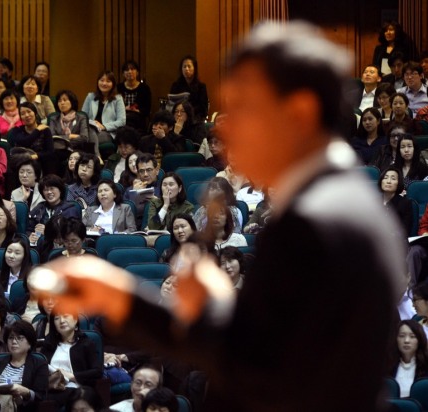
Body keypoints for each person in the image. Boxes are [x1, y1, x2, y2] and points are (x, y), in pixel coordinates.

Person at [34, 22, 406, 411]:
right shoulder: (343, 199)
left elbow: (254, 364)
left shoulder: (316, 221)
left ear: (299, 112)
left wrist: (123, 301)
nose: (226, 133)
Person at [41, 305, 103, 404]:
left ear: (75, 320)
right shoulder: (49, 343)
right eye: (57, 318)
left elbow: (97, 371)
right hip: (51, 386)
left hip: (74, 387)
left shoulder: (86, 343)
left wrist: (72, 376)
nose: (61, 321)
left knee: (50, 400)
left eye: (65, 316)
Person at [0, 320, 49, 411]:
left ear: (30, 344)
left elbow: (41, 396)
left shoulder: (39, 363)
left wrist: (25, 392)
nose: (14, 342)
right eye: (11, 338)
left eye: (20, 338)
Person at [27, 175, 79, 246]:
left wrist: (48, 232)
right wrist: (30, 237)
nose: (49, 192)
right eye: (45, 190)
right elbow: (28, 229)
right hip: (39, 246)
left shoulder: (70, 209)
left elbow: (73, 233)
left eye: (52, 188)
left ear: (60, 190)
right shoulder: (39, 208)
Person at [10, 102, 56, 175]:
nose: (27, 115)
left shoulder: (45, 130)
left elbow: (50, 152)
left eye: (29, 111)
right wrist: (37, 131)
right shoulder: (17, 130)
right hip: (22, 162)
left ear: (35, 113)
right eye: (23, 113)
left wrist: (35, 156)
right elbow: (25, 142)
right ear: (20, 117)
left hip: (40, 162)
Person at [81, 70, 126, 144]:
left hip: (107, 132)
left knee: (90, 138)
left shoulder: (118, 98)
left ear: (113, 84)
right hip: (90, 130)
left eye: (108, 81)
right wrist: (92, 123)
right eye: (102, 80)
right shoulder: (90, 96)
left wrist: (104, 126)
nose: (104, 83)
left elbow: (122, 121)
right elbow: (82, 116)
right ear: (98, 82)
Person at [49, 90, 96, 156]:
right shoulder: (54, 118)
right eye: (59, 101)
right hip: (58, 150)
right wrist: (70, 136)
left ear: (72, 102)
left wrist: (64, 141)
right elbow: (52, 137)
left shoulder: (81, 117)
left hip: (77, 149)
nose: (62, 103)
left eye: (65, 100)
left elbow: (84, 138)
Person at [390, 320, 428, 398]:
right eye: (402, 336)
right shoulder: (387, 366)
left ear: (419, 340)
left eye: (412, 336)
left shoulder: (426, 365)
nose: (406, 341)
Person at [169, 55, 209, 121]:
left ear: (194, 68)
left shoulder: (201, 87)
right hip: (178, 118)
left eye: (189, 66)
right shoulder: (176, 85)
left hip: (195, 118)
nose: (186, 69)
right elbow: (171, 104)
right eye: (184, 67)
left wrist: (187, 112)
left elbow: (203, 108)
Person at [118, 60, 152, 132]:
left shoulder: (144, 88)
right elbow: (113, 107)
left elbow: (147, 109)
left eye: (132, 69)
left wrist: (137, 110)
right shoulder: (118, 88)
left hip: (138, 120)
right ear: (123, 74)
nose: (130, 72)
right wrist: (124, 109)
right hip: (121, 118)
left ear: (137, 72)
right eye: (127, 70)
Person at [379, 166, 412, 238]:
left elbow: (404, 231)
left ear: (398, 183)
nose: (388, 181)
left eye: (393, 178)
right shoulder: (372, 203)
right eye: (385, 178)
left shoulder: (405, 204)